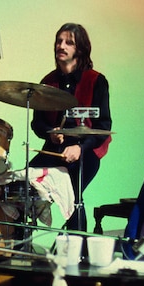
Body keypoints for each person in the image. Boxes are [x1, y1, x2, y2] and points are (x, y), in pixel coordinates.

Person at [29, 22, 112, 231]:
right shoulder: (47, 82)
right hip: (54, 148)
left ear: (80, 49)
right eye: (59, 41)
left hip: (86, 151)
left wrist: (80, 148)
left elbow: (104, 126)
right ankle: (22, 242)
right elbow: (37, 123)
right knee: (25, 182)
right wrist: (51, 134)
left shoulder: (97, 81)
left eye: (69, 42)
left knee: (73, 191)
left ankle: (79, 250)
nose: (61, 46)